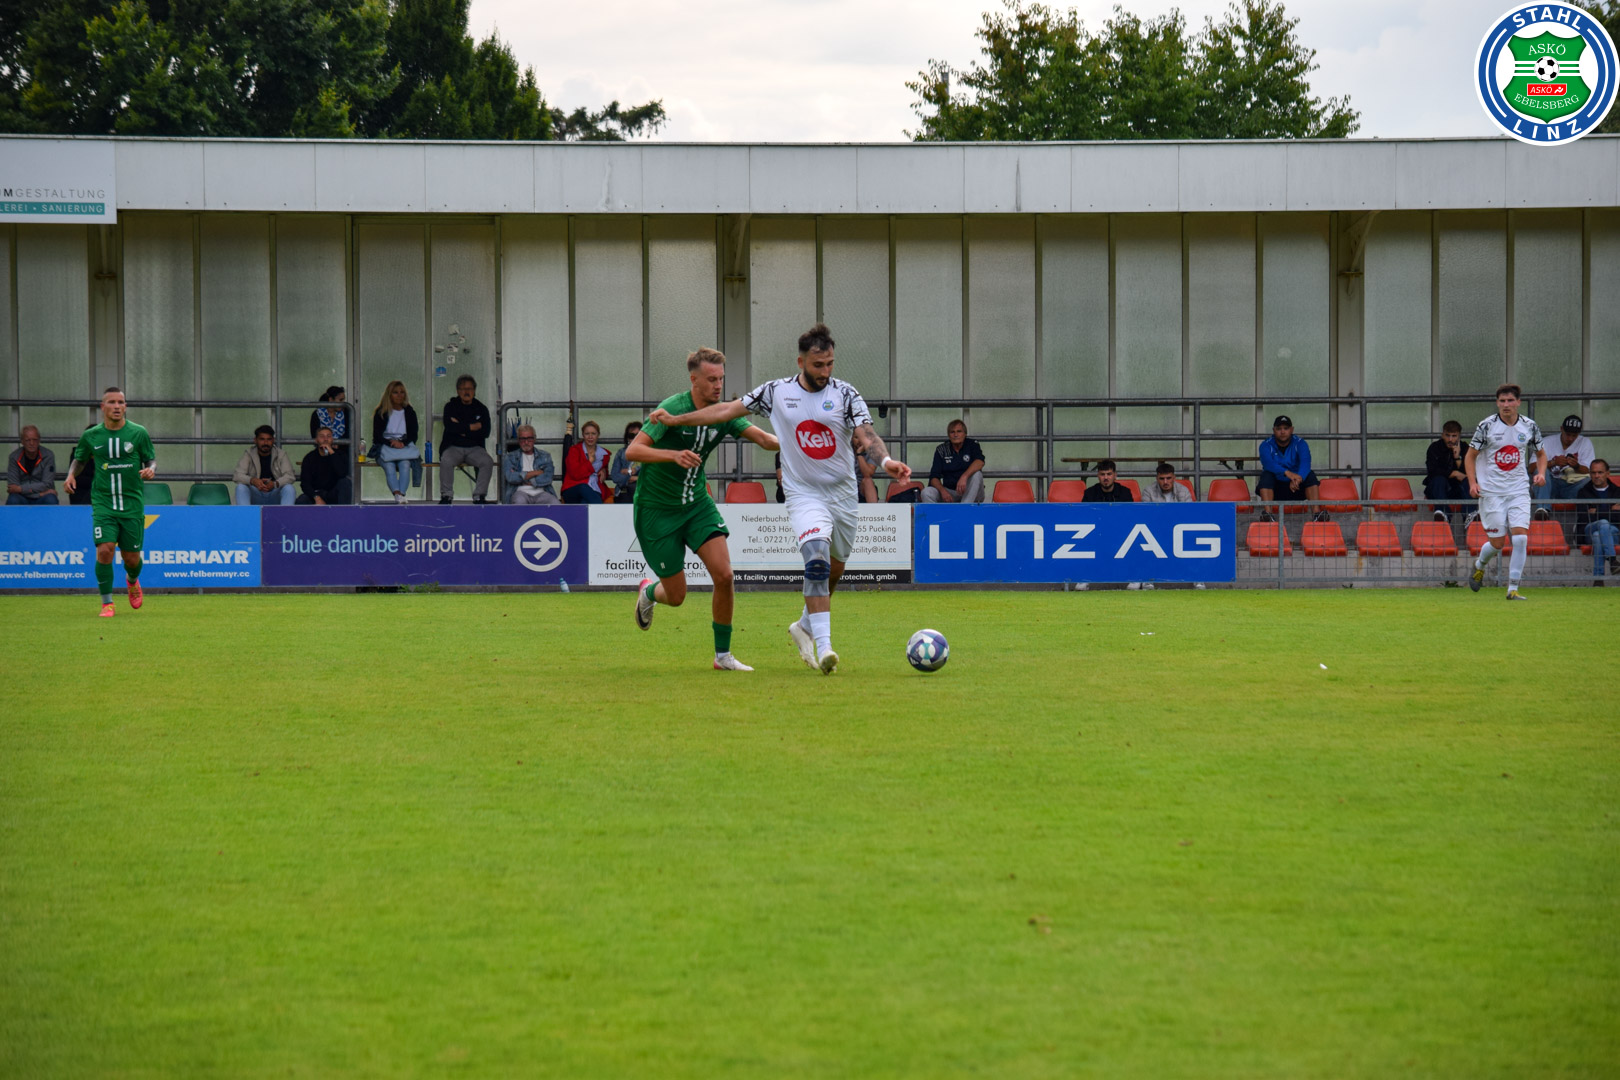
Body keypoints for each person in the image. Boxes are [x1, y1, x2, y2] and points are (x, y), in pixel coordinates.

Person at [650, 323, 912, 675]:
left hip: (843, 494)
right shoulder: (775, 392)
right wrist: (677, 420)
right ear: (801, 361)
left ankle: (804, 626)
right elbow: (725, 411)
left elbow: (867, 435)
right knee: (816, 560)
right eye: (818, 365)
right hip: (803, 494)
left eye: (830, 364)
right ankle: (825, 648)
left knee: (833, 570)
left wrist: (887, 461)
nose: (825, 372)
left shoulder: (846, 393)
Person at [630, 347, 782, 671]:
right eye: (712, 379)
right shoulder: (673, 408)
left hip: (697, 505)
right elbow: (633, 451)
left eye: (721, 379)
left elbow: (765, 440)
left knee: (725, 575)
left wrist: (802, 441)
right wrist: (672, 455)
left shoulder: (723, 413)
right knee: (677, 596)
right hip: (657, 511)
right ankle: (649, 592)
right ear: (694, 380)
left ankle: (722, 656)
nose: (718, 385)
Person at [62, 388, 155, 618]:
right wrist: (71, 475)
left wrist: (151, 469)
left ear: (125, 406)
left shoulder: (138, 432)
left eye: (121, 402)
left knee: (131, 559)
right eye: (112, 402)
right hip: (104, 502)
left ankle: (132, 580)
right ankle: (107, 603)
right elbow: (80, 459)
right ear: (102, 407)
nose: (117, 406)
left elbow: (150, 459)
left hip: (131, 503)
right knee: (105, 550)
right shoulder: (91, 435)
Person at [1466, 383, 1547, 599]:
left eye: (1510, 400)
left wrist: (1541, 473)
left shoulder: (1529, 426)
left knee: (1520, 539)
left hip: (1518, 489)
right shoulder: (1486, 426)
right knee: (1498, 544)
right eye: (1502, 401)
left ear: (1518, 402)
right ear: (1497, 403)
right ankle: (1479, 564)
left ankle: (1513, 589)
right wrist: (1473, 483)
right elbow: (1470, 456)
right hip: (1492, 492)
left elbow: (1541, 454)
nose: (1506, 405)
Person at [438, 374, 495, 505]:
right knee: (446, 460)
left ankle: (479, 496)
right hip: (453, 446)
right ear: (458, 391)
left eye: (469, 388)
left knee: (487, 461)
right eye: (463, 389)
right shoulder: (450, 406)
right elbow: (450, 427)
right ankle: (446, 496)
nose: (466, 392)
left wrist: (461, 428)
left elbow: (485, 432)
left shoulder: (481, 408)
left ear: (474, 390)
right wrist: (472, 427)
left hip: (475, 448)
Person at [1257, 415, 1321, 517]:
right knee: (1266, 476)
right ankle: (1268, 515)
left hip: (1296, 487)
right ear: (1274, 430)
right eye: (1279, 429)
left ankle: (1317, 514)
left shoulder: (1300, 443)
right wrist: (1288, 473)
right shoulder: (1266, 445)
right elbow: (1268, 463)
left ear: (1291, 429)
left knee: (1310, 475)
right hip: (1276, 489)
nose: (1282, 432)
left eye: (1286, 428)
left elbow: (1306, 462)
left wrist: (1298, 479)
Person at [1533, 414, 1594, 518]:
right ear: (1561, 429)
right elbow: (1531, 468)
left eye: (1574, 435)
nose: (1570, 438)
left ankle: (1585, 516)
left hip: (1571, 487)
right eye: (1568, 434)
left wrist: (1576, 466)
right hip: (1549, 485)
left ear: (1579, 433)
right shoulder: (1547, 441)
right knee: (1541, 471)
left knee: (1591, 480)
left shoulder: (1585, 442)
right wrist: (1553, 462)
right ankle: (1543, 510)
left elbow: (1589, 470)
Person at [372, 380, 420, 504]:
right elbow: (377, 436)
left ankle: (401, 496)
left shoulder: (409, 412)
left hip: (403, 447)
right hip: (385, 447)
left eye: (402, 392)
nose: (399, 395)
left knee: (405, 464)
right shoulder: (381, 412)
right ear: (389, 394)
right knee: (389, 466)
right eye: (395, 392)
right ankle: (398, 495)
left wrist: (402, 443)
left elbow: (414, 434)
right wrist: (391, 443)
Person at [1574, 459, 1618, 585]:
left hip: (1614, 532)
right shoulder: (1583, 492)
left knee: (1598, 536)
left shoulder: (1617, 492)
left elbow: (1618, 517)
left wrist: (1597, 512)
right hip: (1589, 529)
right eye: (1593, 473)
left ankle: (1598, 580)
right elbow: (1584, 517)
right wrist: (1610, 511)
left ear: (1608, 473)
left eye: (1600, 472)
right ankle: (1612, 560)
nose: (1596, 476)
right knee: (1603, 523)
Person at [921, 419, 985, 504]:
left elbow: (980, 462)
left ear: (965, 434)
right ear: (948, 435)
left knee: (977, 474)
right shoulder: (942, 449)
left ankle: (963, 509)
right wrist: (943, 491)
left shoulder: (972, 444)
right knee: (926, 492)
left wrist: (964, 476)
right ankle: (938, 514)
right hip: (950, 492)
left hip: (970, 491)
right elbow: (934, 477)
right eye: (952, 432)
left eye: (959, 431)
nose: (955, 435)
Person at [233, 425, 298, 506]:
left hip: (274, 494)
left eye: (269, 439)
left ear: (273, 440)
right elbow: (237, 475)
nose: (265, 443)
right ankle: (246, 514)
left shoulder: (281, 454)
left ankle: (285, 514)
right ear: (255, 440)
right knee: (241, 487)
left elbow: (290, 476)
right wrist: (253, 481)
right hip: (256, 495)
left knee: (289, 488)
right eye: (262, 439)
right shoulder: (249, 454)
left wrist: (275, 484)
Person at [1424, 420, 1472, 522]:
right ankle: (1443, 515)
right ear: (1442, 435)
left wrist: (1457, 457)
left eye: (1454, 436)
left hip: (1459, 489)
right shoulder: (1435, 448)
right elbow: (1432, 470)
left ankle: (1470, 515)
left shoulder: (1464, 448)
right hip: (1439, 490)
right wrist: (1453, 473)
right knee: (1438, 480)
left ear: (1459, 436)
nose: (1450, 439)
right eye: (1447, 435)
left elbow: (1467, 472)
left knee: (1469, 482)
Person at [502, 425, 560, 504]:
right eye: (523, 439)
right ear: (518, 440)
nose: (526, 442)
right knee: (519, 501)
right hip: (520, 492)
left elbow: (548, 477)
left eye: (529, 439)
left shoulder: (545, 456)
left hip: (541, 492)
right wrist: (535, 473)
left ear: (534, 439)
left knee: (555, 503)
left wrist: (526, 479)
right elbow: (510, 477)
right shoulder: (511, 457)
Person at [295, 426, 352, 505]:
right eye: (322, 436)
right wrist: (316, 497)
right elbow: (305, 483)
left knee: (345, 482)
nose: (325, 439)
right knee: (302, 500)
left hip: (333, 493)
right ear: (316, 440)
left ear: (332, 439)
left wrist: (331, 452)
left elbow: (342, 473)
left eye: (328, 436)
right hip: (316, 494)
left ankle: (344, 512)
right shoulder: (309, 458)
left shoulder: (340, 455)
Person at [561, 420, 611, 504]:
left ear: (598, 435)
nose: (590, 437)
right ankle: (602, 510)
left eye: (593, 434)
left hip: (594, 489)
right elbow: (575, 474)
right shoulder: (574, 450)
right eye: (587, 434)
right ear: (583, 435)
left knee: (585, 502)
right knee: (583, 487)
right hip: (573, 489)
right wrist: (589, 462)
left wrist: (604, 471)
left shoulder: (604, 454)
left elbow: (604, 471)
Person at [6, 425, 58, 505]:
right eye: (27, 440)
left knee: (51, 499)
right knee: (13, 500)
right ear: (22, 441)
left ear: (39, 440)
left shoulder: (48, 455)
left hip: (41, 497)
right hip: (24, 497)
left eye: (35, 440)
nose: (32, 443)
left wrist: (20, 489)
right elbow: (13, 488)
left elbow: (47, 484)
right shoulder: (14, 457)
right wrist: (39, 494)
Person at [610, 421, 642, 504]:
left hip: (644, 492)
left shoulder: (650, 454)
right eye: (631, 436)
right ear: (627, 438)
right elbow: (615, 476)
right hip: (624, 491)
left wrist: (634, 478)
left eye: (638, 435)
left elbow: (651, 478)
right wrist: (630, 476)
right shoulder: (621, 453)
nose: (635, 438)